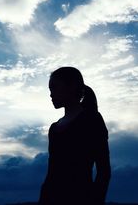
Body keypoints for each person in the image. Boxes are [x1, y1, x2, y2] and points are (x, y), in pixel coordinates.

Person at [38, 67, 111, 205]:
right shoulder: (54, 128)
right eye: (49, 90)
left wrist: (95, 200)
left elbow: (104, 171)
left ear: (71, 87)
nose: (51, 94)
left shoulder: (92, 119)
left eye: (54, 88)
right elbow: (52, 172)